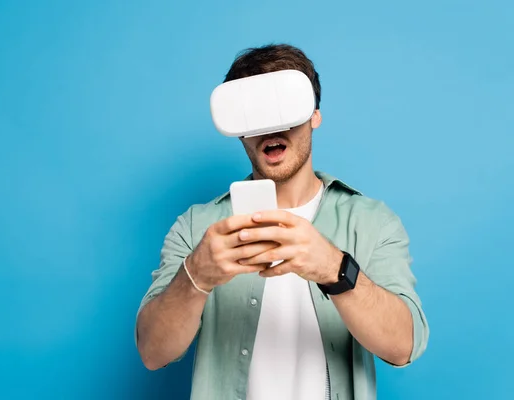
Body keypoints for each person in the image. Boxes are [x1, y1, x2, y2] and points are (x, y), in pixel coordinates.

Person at [135, 43, 429, 400]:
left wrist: (335, 269)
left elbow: (403, 346)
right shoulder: (197, 227)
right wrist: (196, 275)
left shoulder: (371, 222)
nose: (271, 129)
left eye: (284, 111)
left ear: (314, 115)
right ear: (239, 129)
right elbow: (152, 352)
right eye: (253, 117)